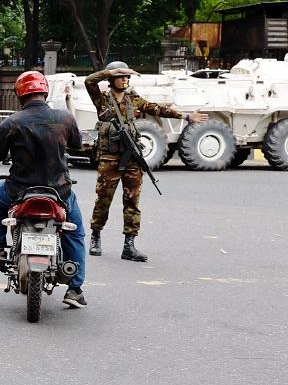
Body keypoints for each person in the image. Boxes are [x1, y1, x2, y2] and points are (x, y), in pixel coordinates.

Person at [84, 63, 208, 261]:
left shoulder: (134, 99)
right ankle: (96, 236)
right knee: (103, 200)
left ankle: (129, 245)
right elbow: (89, 81)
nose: (125, 80)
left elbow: (157, 109)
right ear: (111, 79)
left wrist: (185, 116)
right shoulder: (102, 99)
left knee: (132, 200)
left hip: (132, 157)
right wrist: (110, 71)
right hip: (109, 157)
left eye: (127, 77)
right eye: (121, 76)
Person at [0, 71, 88, 308]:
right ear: (44, 92)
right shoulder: (64, 118)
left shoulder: (11, 123)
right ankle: (75, 289)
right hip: (59, 192)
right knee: (75, 233)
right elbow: (77, 144)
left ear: (20, 95)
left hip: (19, 191)